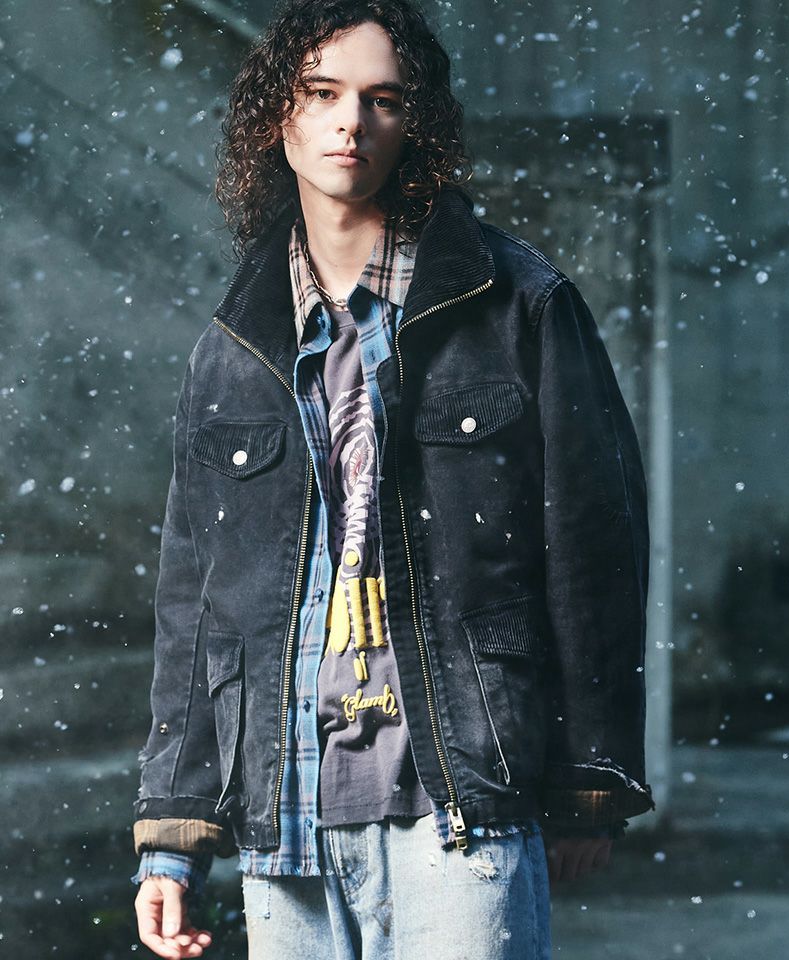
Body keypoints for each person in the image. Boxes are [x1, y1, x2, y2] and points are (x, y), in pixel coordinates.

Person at [131, 1, 655, 957]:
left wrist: (591, 776)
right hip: (288, 812)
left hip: (460, 795)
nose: (351, 123)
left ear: (417, 124)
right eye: (322, 93)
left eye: (383, 99)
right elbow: (198, 604)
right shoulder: (234, 344)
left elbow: (593, 549)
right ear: (279, 117)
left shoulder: (521, 305)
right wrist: (172, 835)